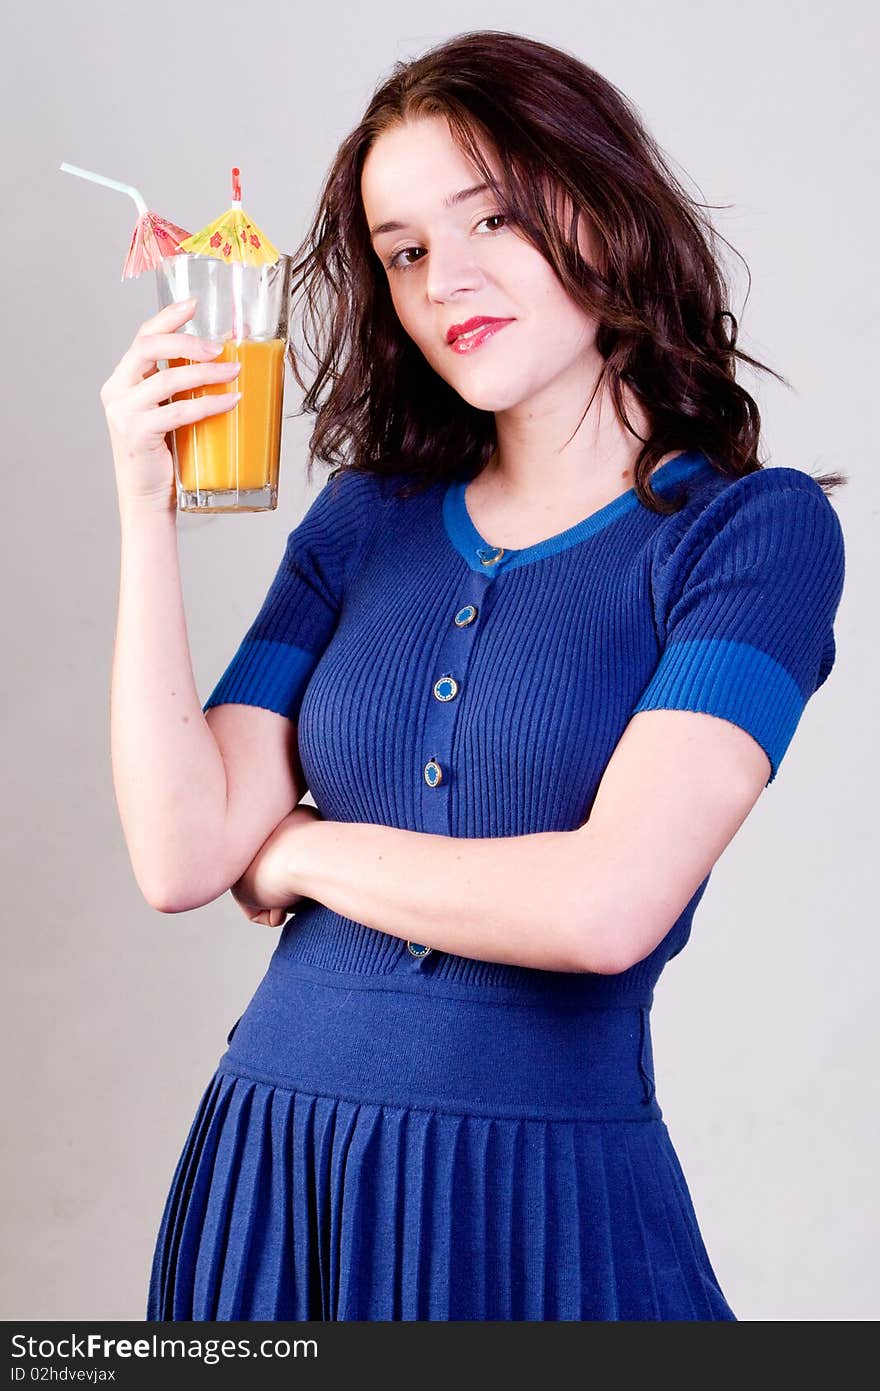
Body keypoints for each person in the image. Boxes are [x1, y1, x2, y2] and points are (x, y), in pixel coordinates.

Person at [102, 30, 847, 1321]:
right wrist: (141, 508)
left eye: (491, 217)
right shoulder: (366, 518)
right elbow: (180, 855)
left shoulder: (750, 535)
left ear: (604, 208)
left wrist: (298, 855)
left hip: (539, 1194)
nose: (447, 279)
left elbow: (604, 908)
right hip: (275, 1169)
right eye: (403, 251)